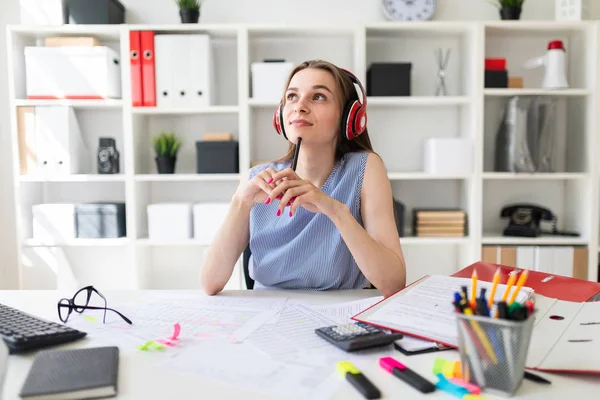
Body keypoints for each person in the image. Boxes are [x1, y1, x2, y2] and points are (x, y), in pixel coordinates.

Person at [200, 59, 406, 297]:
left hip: (337, 315)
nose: (300, 107)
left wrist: (335, 210)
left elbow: (394, 283)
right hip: (267, 316)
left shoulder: (365, 168)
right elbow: (209, 283)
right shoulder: (257, 178)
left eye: (318, 96)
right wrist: (241, 203)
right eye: (292, 97)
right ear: (280, 115)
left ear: (348, 117)